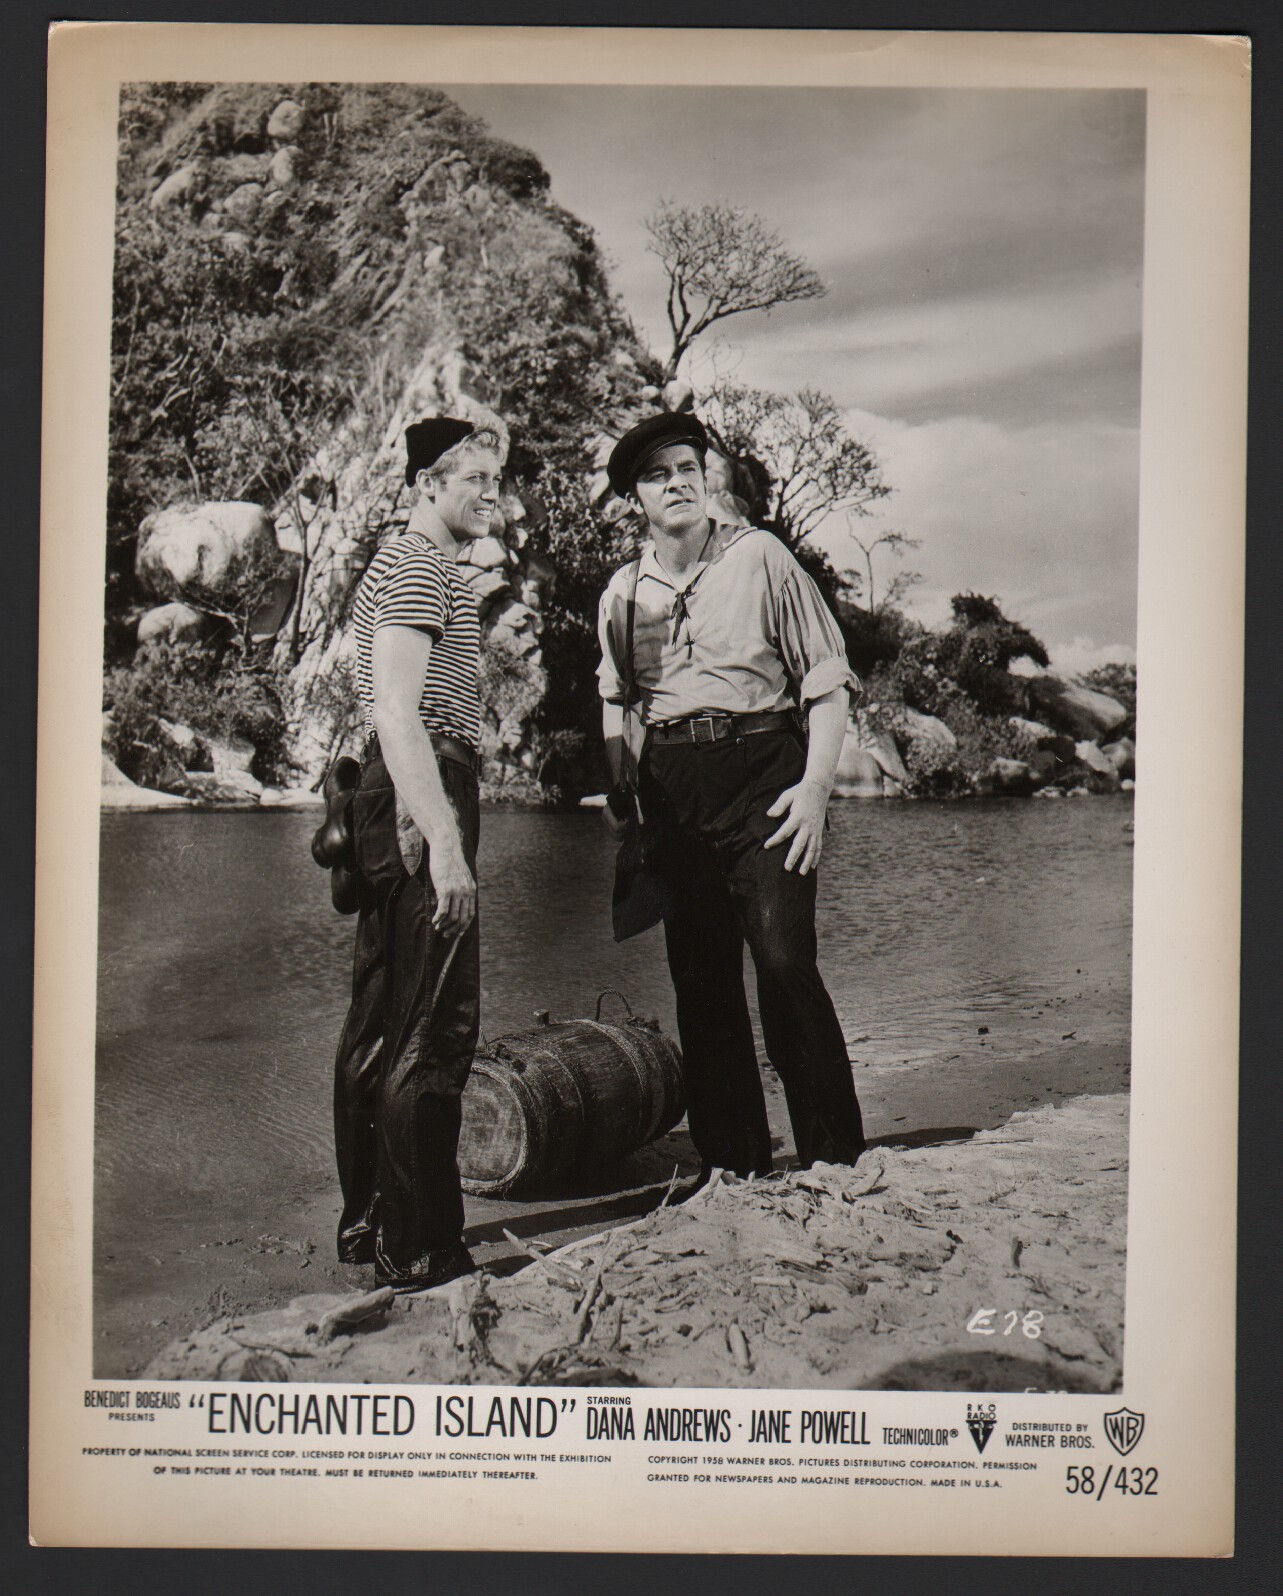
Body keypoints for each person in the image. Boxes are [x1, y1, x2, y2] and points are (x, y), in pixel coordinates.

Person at [597, 411, 866, 1182]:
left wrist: (814, 792)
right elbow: (616, 696)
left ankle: (834, 1158)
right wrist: (622, 784)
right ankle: (734, 1165)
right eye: (656, 476)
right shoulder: (622, 591)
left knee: (782, 960)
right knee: (701, 979)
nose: (676, 483)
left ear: (705, 477)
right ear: (635, 498)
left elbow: (826, 682)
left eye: (686, 467)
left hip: (765, 773)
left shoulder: (760, 557)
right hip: (673, 788)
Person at [332, 416, 502, 1294]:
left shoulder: (406, 564)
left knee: (379, 1021)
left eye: (495, 481)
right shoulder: (420, 566)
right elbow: (398, 711)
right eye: (474, 479)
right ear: (426, 485)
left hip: (392, 789)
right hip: (421, 783)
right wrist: (443, 841)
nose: (491, 496)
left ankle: (369, 1224)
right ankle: (420, 1244)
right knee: (433, 1024)